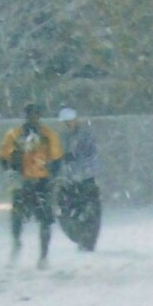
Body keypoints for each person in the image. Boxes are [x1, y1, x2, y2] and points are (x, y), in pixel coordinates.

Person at [0, 102, 63, 268]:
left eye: (36, 115)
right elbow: (4, 157)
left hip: (42, 182)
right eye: (30, 115)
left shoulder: (48, 134)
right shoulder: (15, 135)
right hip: (23, 181)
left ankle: (43, 256)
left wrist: (53, 177)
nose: (33, 118)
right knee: (17, 217)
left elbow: (57, 158)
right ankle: (16, 242)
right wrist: (10, 170)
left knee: (45, 220)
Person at [54, 106, 103, 252]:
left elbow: (92, 156)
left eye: (70, 121)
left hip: (85, 180)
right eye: (65, 122)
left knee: (89, 212)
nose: (68, 124)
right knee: (65, 213)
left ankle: (87, 241)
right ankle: (80, 237)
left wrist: (76, 161)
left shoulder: (85, 136)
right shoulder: (62, 137)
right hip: (68, 181)